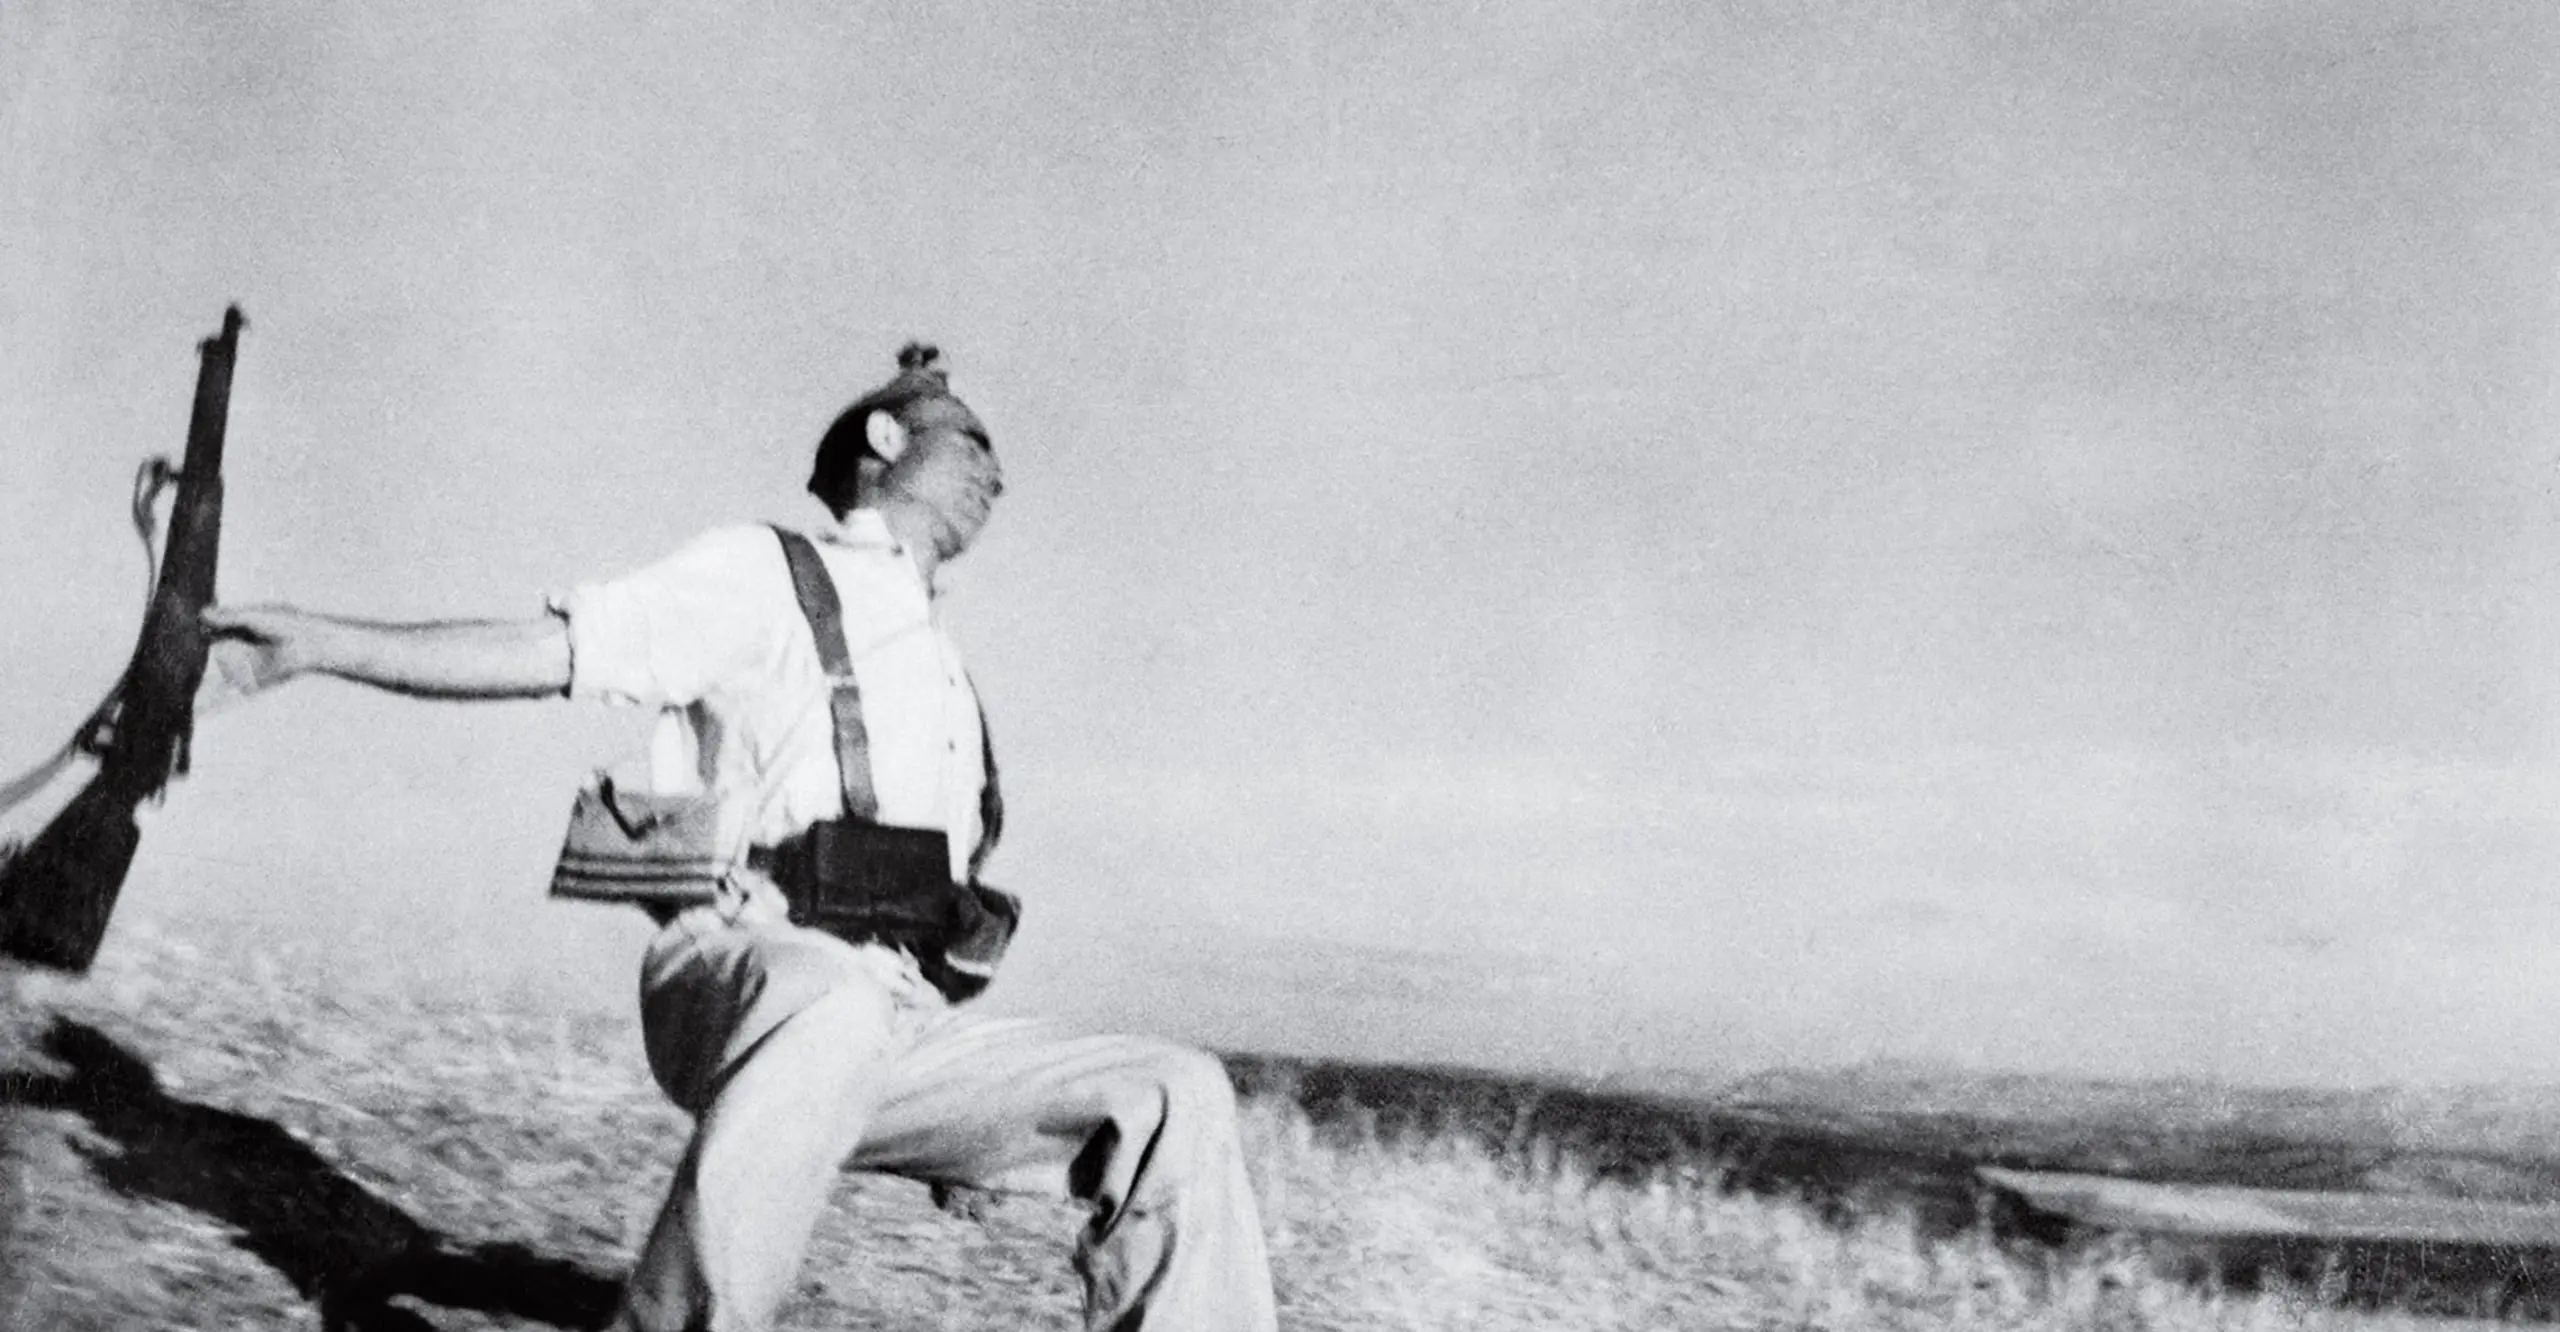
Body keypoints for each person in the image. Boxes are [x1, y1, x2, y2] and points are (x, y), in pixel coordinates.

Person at [201, 344, 1280, 1331]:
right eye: (974, 444)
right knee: (830, 1001)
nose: (997, 477)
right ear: (886, 442)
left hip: (890, 1019)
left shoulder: (946, 675)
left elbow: (932, 908)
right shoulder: (764, 573)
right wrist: (320, 643)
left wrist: (977, 1135)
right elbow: (550, 652)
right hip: (740, 972)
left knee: (1173, 1091)